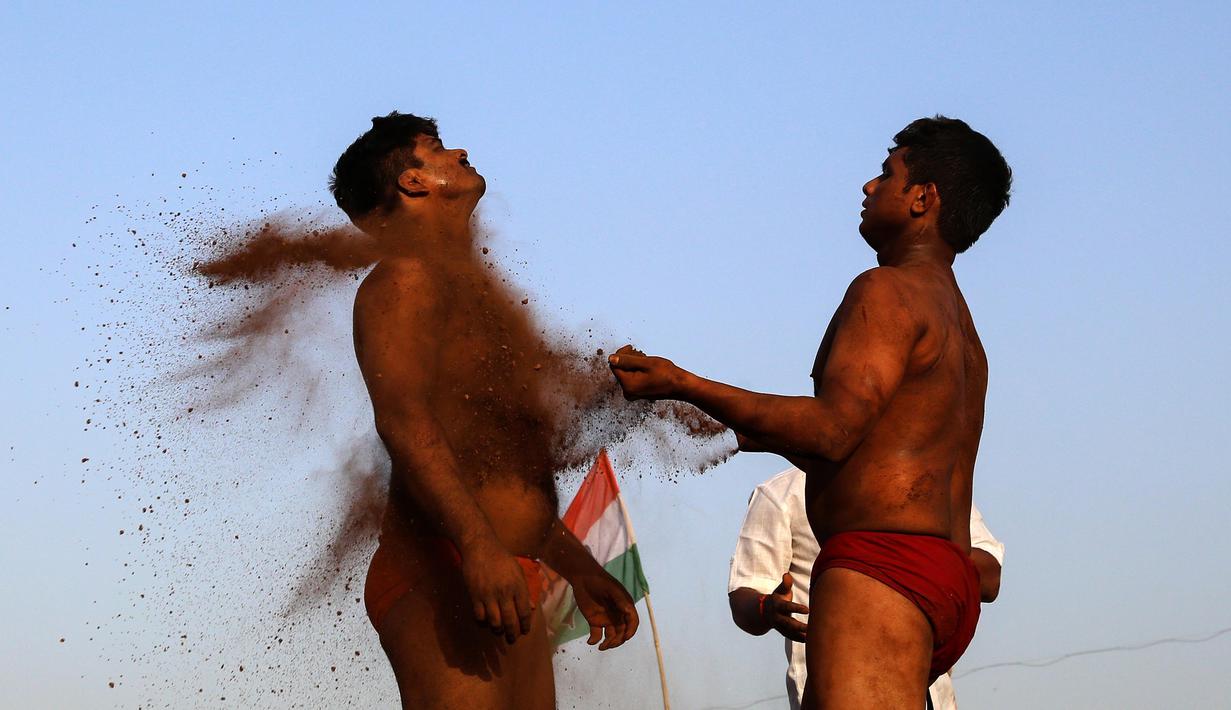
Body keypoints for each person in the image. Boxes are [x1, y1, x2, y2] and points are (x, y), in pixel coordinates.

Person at [609, 116, 1012, 707]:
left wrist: (684, 382)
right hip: (941, 575)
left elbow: (832, 429)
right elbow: (872, 451)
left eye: (886, 174)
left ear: (923, 198)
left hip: (883, 566)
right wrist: (735, 427)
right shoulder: (962, 325)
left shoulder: (886, 290)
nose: (868, 187)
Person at [332, 112, 639, 709]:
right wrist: (477, 547)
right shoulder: (406, 276)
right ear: (413, 182)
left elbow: (497, 470)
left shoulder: (471, 290)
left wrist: (578, 566)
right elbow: (402, 420)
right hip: (443, 563)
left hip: (505, 565)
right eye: (436, 148)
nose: (460, 152)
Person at [728, 467, 1004, 709]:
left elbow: (990, 579)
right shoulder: (781, 494)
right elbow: (745, 593)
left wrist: (908, 555)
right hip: (836, 693)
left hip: (929, 695)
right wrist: (766, 608)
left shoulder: (928, 480)